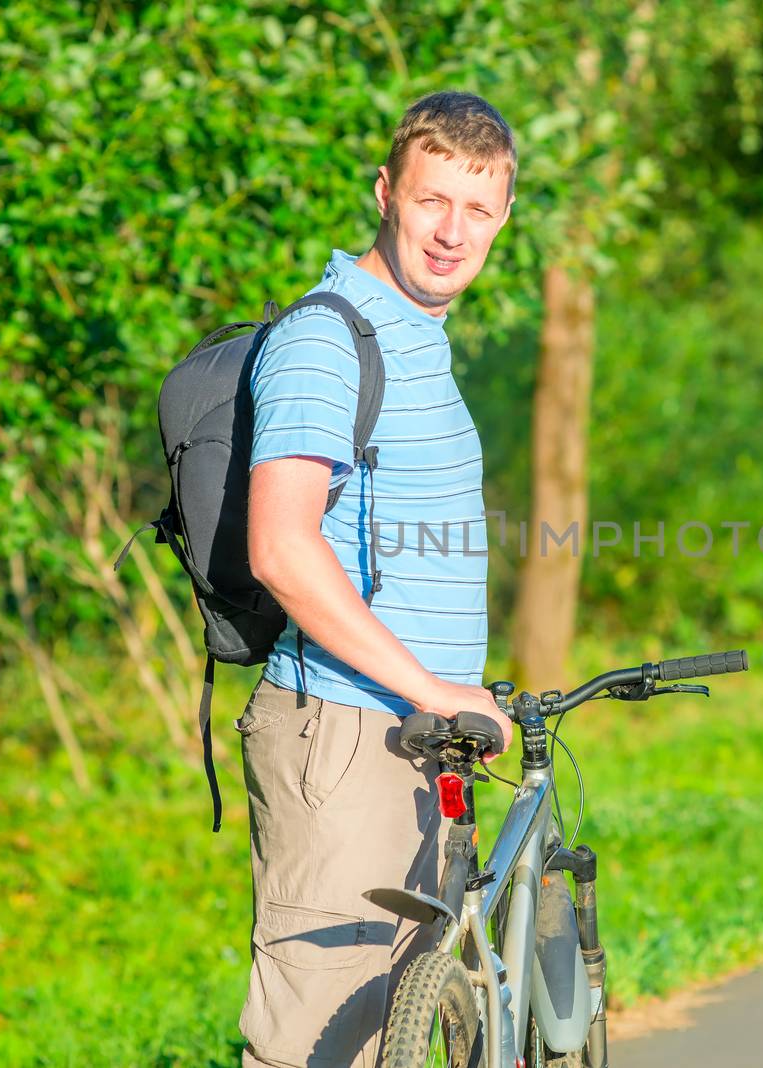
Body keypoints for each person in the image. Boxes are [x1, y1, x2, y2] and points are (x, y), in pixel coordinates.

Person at [238, 91, 517, 1068]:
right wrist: (432, 687)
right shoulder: (328, 337)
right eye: (432, 200)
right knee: (320, 1044)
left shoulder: (417, 334)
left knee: (392, 1035)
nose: (452, 233)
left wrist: (448, 699)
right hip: (343, 733)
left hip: (415, 735)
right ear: (385, 190)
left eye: (477, 210)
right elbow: (282, 547)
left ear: (504, 217)